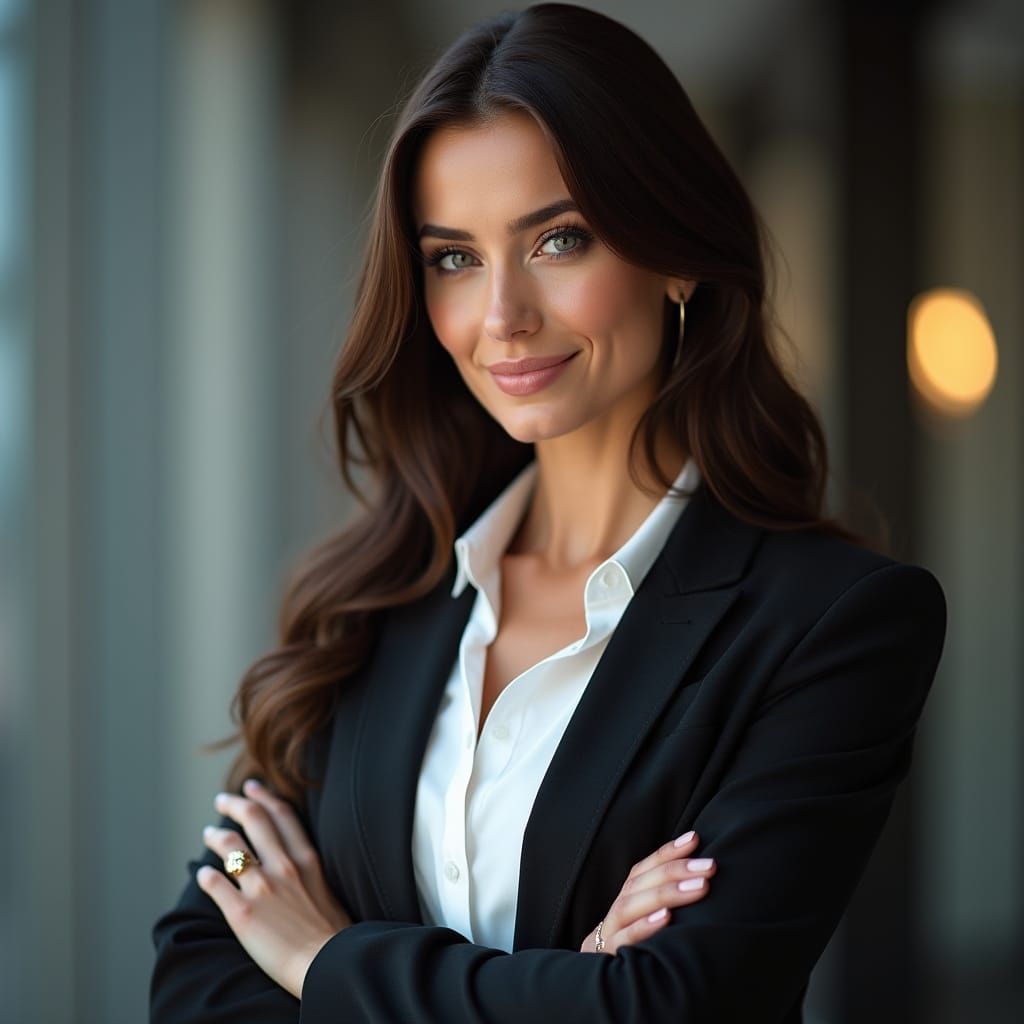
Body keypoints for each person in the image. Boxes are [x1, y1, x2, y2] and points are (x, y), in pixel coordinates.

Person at [149, 3, 947, 1021]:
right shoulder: (371, 596)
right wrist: (568, 982)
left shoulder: (832, 625)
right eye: (453, 257)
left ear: (677, 253)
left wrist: (324, 959)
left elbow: (671, 1007)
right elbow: (192, 981)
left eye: (559, 239)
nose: (500, 317)